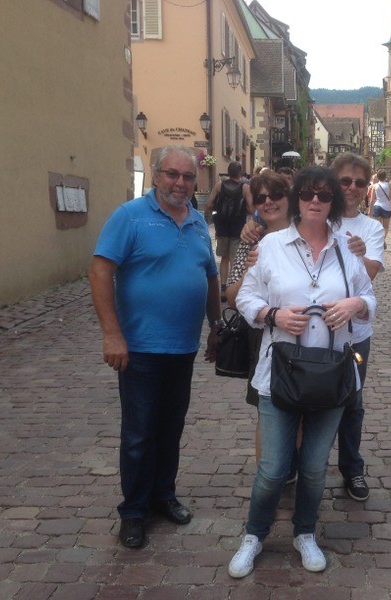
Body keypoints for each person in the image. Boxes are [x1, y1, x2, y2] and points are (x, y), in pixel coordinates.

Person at [229, 166, 376, 578]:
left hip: (331, 374)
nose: (316, 201)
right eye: (309, 194)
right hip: (280, 373)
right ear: (297, 198)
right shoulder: (272, 245)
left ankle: (305, 533)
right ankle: (254, 536)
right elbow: (245, 296)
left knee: (313, 467)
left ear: (333, 203)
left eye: (324, 196)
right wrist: (271, 314)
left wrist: (355, 306)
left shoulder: (348, 250)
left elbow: (368, 296)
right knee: (274, 468)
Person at [88, 145, 222, 549]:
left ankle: (164, 496)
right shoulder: (129, 217)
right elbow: (99, 271)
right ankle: (133, 511)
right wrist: (112, 334)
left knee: (170, 428)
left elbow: (211, 277)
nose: (180, 183)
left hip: (183, 347)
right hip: (141, 349)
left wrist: (216, 325)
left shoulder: (199, 223)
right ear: (156, 174)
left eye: (187, 176)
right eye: (172, 175)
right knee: (139, 433)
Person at [225, 170, 292, 462]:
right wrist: (252, 268)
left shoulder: (309, 233)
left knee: (302, 407)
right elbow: (231, 295)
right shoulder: (252, 240)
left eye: (276, 195)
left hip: (302, 332)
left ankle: (292, 469)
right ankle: (268, 474)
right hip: (263, 336)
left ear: (289, 198)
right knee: (266, 411)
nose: (269, 202)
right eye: (262, 197)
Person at [331, 153, 386, 501]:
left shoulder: (373, 227)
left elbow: (368, 275)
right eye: (345, 181)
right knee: (307, 395)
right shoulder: (317, 215)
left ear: (368, 188)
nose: (352, 188)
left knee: (352, 399)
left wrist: (361, 252)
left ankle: (352, 469)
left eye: (359, 182)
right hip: (316, 327)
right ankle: (299, 466)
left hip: (355, 334)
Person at [205, 161, 252, 300]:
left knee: (224, 258)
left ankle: (223, 288)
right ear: (240, 173)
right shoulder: (245, 188)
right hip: (238, 226)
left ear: (228, 172)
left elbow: (208, 204)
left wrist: (217, 210)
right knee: (235, 258)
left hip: (222, 226)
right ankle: (233, 288)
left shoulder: (220, 186)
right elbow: (251, 207)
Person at [368, 169, 391, 247]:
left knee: (378, 226)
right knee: (385, 227)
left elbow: (372, 199)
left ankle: (379, 240)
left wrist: (370, 210)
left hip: (377, 206)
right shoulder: (388, 185)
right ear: (385, 177)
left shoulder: (375, 186)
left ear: (377, 177)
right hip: (386, 207)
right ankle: (383, 239)